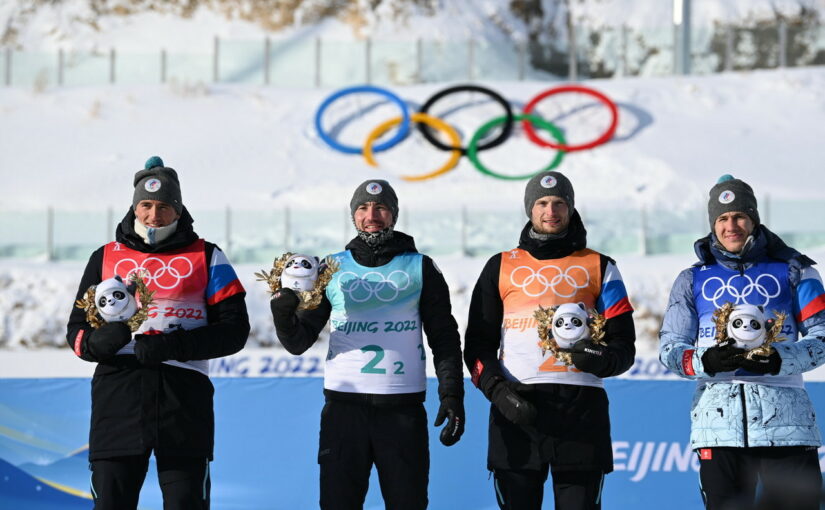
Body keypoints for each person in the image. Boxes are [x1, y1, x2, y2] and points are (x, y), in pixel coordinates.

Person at [66, 156, 250, 510]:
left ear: (178, 210)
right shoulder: (104, 256)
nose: (154, 215)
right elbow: (77, 331)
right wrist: (94, 342)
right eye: (145, 205)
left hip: (183, 398)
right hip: (118, 395)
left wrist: (172, 345)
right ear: (134, 208)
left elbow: (234, 331)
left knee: (185, 503)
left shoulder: (208, 256)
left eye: (164, 206)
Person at [269, 179, 465, 510]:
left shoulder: (421, 267)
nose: (371, 215)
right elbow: (299, 342)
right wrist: (283, 315)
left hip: (402, 412)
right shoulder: (330, 269)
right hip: (344, 413)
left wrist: (452, 394)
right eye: (363, 208)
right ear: (353, 216)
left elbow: (444, 338)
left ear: (394, 215)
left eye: (381, 207)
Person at [464, 170, 636, 510]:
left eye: (559, 203)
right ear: (530, 209)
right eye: (542, 203)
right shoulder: (500, 265)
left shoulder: (601, 265)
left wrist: (602, 360)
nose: (550, 211)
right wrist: (498, 392)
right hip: (518, 409)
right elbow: (477, 346)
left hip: (581, 412)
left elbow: (624, 346)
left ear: (570, 208)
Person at [659, 174, 825, 510]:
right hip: (717, 430)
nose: (731, 226)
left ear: (753, 219)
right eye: (722, 219)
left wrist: (779, 359)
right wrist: (706, 362)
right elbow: (670, 349)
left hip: (787, 427)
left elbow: (822, 336)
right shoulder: (692, 279)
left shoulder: (795, 271)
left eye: (739, 216)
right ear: (712, 225)